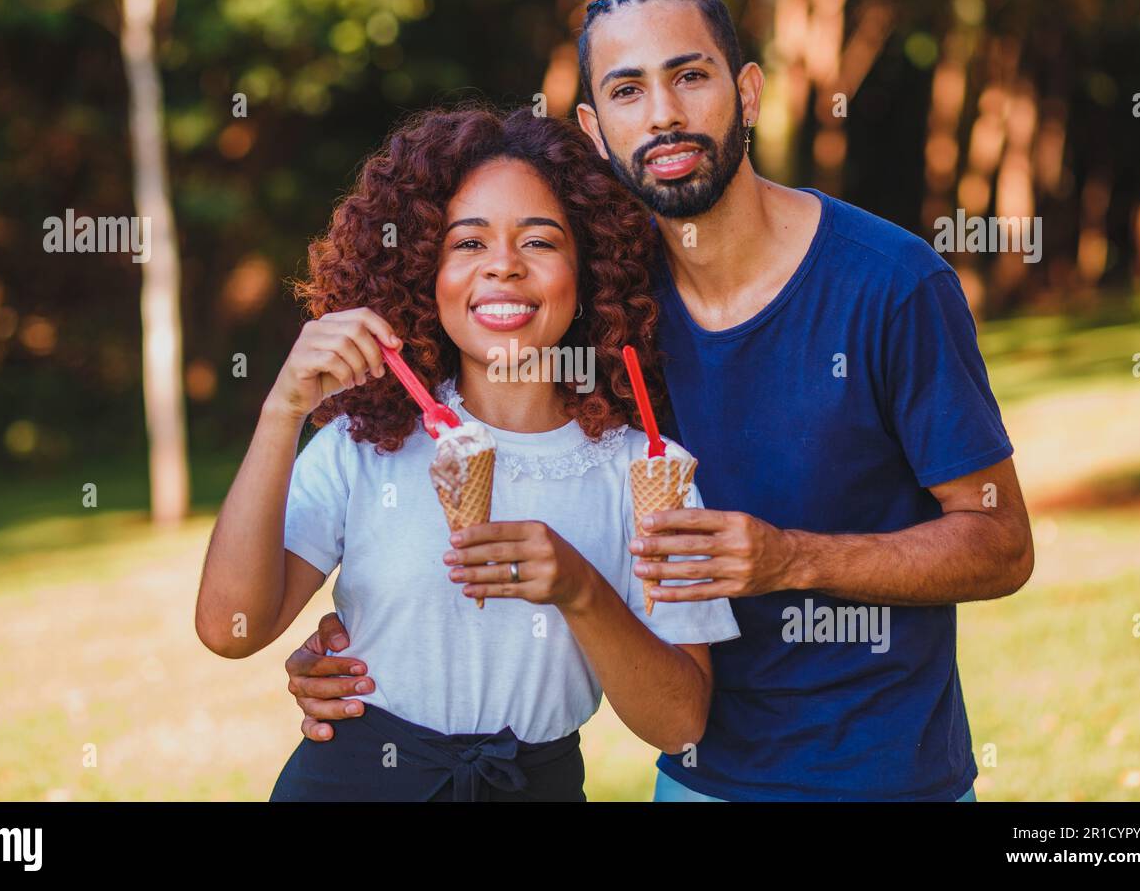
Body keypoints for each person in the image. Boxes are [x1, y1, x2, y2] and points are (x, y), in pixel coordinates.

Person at [285, 0, 1033, 803]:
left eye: (691, 76)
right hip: (694, 779)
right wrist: (368, 668)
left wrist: (792, 560)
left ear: (747, 93)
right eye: (628, 90)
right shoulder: (593, 301)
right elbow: (463, 450)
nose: (665, 114)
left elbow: (1000, 546)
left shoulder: (891, 285)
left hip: (890, 779)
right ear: (595, 128)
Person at [195, 104, 739, 801]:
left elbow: (680, 723)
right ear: (426, 272)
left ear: (587, 273)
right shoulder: (364, 447)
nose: (504, 267)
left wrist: (580, 589)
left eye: (540, 243)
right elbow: (229, 629)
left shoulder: (645, 471)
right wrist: (283, 411)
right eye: (468, 243)